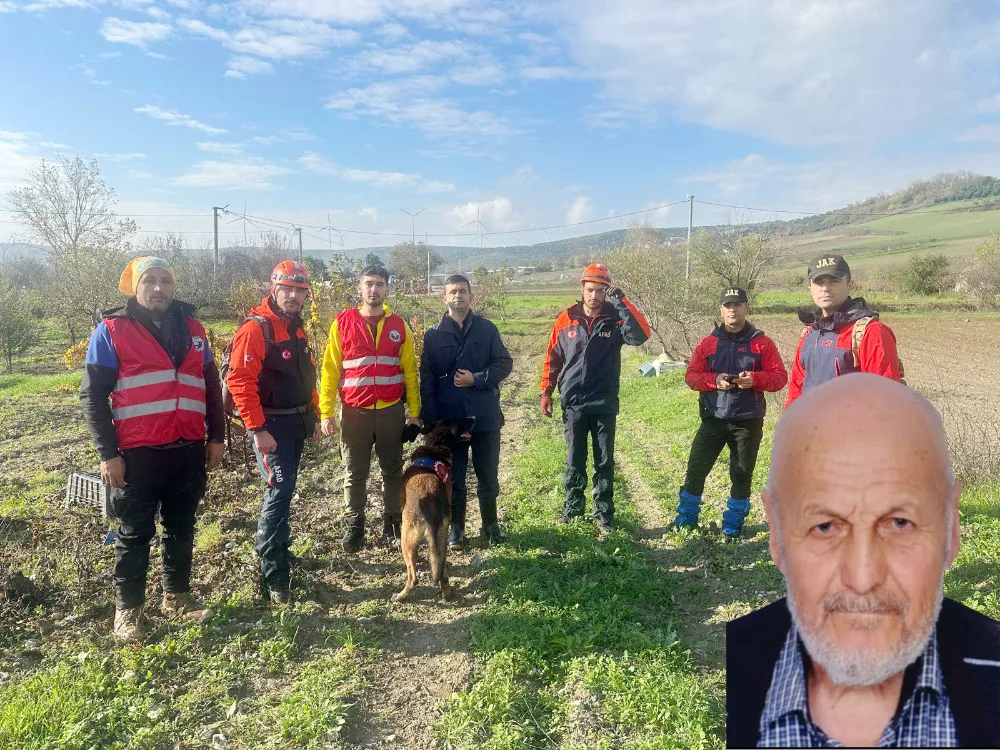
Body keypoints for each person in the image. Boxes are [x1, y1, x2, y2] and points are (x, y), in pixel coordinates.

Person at [726, 374, 1000, 748]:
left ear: (952, 529)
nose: (863, 577)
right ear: (776, 534)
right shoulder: (733, 668)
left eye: (900, 523)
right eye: (825, 526)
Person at [80, 256, 225, 642]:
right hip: (137, 452)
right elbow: (93, 396)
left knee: (181, 527)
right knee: (134, 533)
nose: (159, 288)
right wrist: (107, 454)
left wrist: (217, 437)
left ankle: (176, 597)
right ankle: (127, 612)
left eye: (166, 281)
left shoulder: (195, 328)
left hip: (188, 447)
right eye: (150, 281)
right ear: (135, 286)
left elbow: (212, 386)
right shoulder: (112, 330)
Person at [226, 260, 319, 606]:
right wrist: (257, 429)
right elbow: (239, 381)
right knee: (279, 491)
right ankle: (273, 574)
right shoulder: (256, 329)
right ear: (274, 288)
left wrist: (314, 414)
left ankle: (280, 550)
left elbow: (306, 375)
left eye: (300, 291)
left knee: (287, 489)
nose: (294, 296)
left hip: (295, 423)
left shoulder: (296, 328)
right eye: (288, 289)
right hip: (270, 427)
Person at [540, 263, 651, 534]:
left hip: (603, 402)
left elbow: (641, 335)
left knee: (604, 460)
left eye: (600, 290)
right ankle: (572, 511)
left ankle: (604, 516)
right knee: (574, 458)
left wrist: (622, 300)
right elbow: (552, 358)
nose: (594, 295)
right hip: (574, 401)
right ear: (582, 288)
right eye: (590, 289)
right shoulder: (565, 319)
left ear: (606, 291)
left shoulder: (615, 318)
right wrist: (546, 391)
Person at [319, 264, 421, 553]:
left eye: (379, 284)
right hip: (354, 412)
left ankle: (392, 520)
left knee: (392, 469)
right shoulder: (342, 323)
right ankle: (355, 524)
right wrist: (326, 412)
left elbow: (410, 372)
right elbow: (330, 371)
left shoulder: (399, 326)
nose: (373, 289)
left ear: (387, 289)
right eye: (368, 284)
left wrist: (414, 412)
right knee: (355, 472)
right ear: (359, 288)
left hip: (390, 411)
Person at [673, 287, 787, 539]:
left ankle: (733, 524)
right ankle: (685, 519)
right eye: (728, 305)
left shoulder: (762, 343)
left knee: (742, 473)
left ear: (747, 308)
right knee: (696, 470)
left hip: (748, 422)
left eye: (737, 304)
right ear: (721, 310)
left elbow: (780, 378)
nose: (732, 310)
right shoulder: (708, 343)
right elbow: (691, 377)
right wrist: (715, 380)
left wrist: (755, 379)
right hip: (713, 418)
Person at [419, 274, 514, 548]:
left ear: (471, 296)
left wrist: (478, 378)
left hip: (484, 417)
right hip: (451, 422)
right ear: (445, 298)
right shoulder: (434, 335)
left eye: (463, 291)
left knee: (488, 475)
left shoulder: (486, 329)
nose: (458, 296)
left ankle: (491, 527)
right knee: (454, 479)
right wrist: (431, 423)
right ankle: (456, 530)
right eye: (452, 291)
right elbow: (427, 381)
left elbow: (504, 364)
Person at [785, 253, 901, 408]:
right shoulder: (809, 334)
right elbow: (796, 387)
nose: (826, 288)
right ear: (810, 289)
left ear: (850, 285)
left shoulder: (870, 332)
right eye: (819, 283)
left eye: (834, 280)